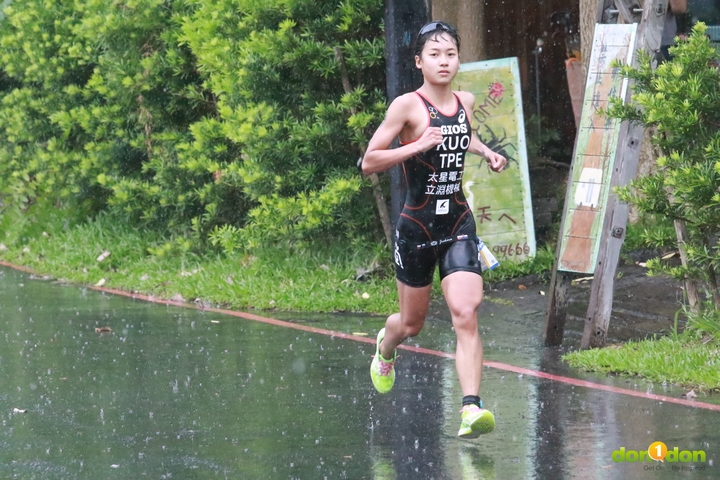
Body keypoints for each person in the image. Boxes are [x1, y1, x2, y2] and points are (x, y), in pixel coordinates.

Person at [361, 21, 507, 439]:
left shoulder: (466, 99)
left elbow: (464, 133)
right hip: (416, 230)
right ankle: (385, 350)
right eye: (435, 55)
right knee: (410, 326)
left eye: (451, 54)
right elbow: (370, 161)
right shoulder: (407, 106)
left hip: (458, 222)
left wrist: (485, 152)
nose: (444, 62)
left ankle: (470, 409)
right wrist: (416, 145)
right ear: (419, 61)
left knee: (466, 311)